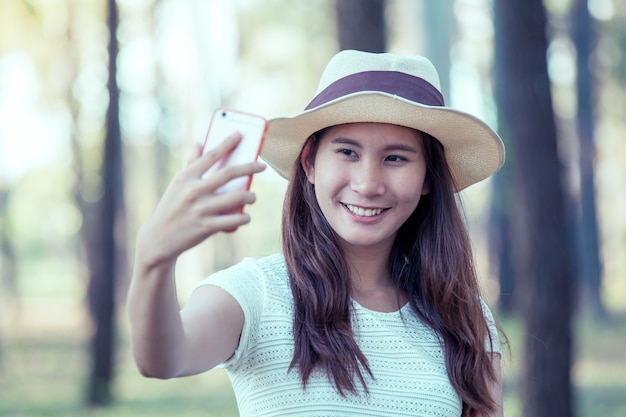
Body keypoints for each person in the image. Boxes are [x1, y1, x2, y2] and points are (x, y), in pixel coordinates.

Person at [127, 49, 506, 417]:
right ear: (309, 162)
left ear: (428, 178)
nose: (368, 183)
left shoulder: (463, 317)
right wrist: (153, 261)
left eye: (395, 158)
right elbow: (162, 358)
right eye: (347, 152)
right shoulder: (253, 293)